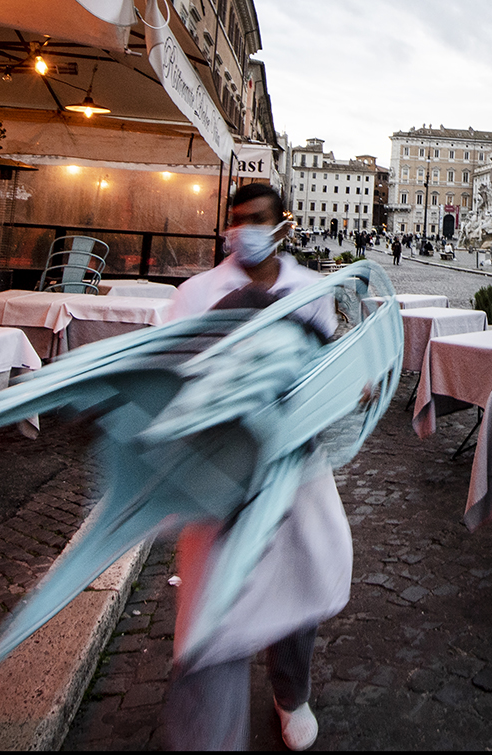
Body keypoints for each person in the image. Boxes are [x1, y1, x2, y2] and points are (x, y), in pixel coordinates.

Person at [164, 183, 351, 751]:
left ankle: (291, 694)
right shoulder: (197, 294)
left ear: (280, 227)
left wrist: (350, 385)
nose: (242, 231)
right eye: (235, 221)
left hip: (296, 465)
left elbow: (326, 368)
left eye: (256, 220)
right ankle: (208, 730)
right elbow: (168, 377)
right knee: (216, 597)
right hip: (221, 473)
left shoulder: (312, 290)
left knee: (297, 583)